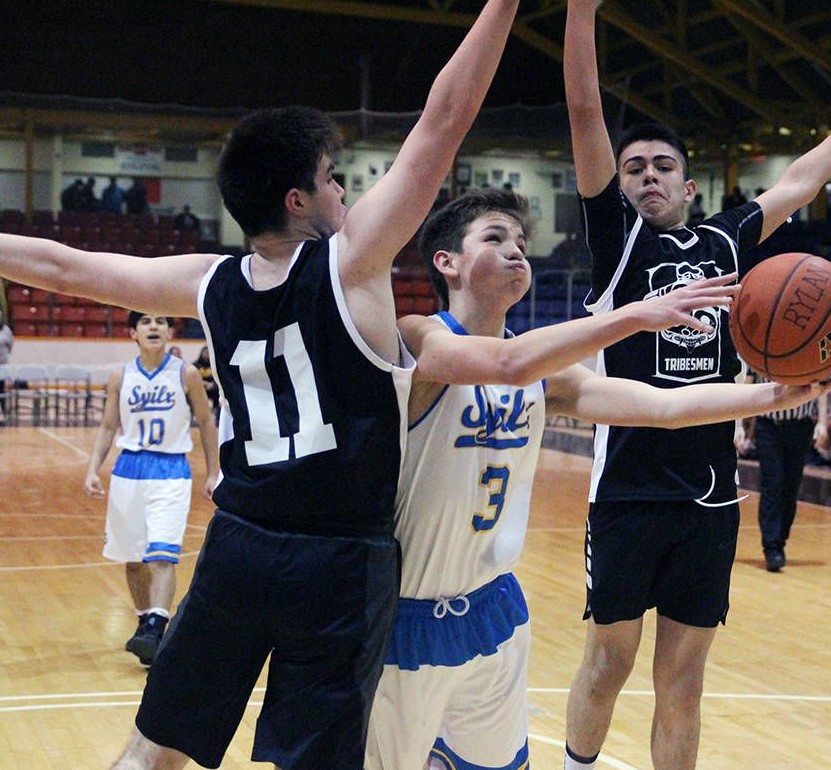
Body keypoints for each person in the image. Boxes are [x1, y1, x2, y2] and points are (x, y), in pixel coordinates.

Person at [0, 2, 525, 766]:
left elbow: (59, 265)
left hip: (240, 545)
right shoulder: (352, 262)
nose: (345, 192)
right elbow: (443, 120)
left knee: (156, 746)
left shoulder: (209, 283)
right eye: (332, 178)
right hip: (341, 561)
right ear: (297, 199)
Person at [365, 187, 831, 770]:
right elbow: (505, 365)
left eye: (522, 241)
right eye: (495, 239)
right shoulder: (418, 337)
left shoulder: (544, 369)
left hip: (493, 606)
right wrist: (634, 316)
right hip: (409, 612)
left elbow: (663, 406)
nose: (517, 250)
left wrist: (778, 393)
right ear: (446, 262)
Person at [563, 1, 831, 766]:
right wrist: (581, 14)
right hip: (629, 489)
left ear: (689, 184)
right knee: (610, 661)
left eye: (660, 166)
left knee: (684, 677)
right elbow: (583, 110)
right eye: (633, 167)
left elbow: (799, 183)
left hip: (707, 493)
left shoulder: (724, 239)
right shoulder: (619, 242)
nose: (644, 176)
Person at [83, 313, 218, 666]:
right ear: (133, 334)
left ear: (170, 331)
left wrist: (214, 472)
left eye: (160, 321)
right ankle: (145, 622)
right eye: (145, 322)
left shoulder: (185, 373)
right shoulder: (121, 375)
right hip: (129, 468)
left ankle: (157, 625)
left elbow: (206, 422)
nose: (154, 327)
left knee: (162, 554)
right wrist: (92, 470)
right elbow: (108, 425)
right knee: (133, 561)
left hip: (171, 469)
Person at [745, 383, 828, 571]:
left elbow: (821, 383)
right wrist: (739, 425)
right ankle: (771, 547)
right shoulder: (760, 355)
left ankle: (780, 541)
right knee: (772, 485)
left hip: (800, 426)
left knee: (791, 487)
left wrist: (822, 421)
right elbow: (747, 383)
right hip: (768, 426)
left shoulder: (807, 354)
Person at [193, 344, 219, 420]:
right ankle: (196, 414)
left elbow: (220, 377)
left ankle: (215, 412)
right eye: (205, 352)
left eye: (208, 353)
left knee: (218, 390)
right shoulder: (195, 365)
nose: (207, 354)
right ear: (201, 353)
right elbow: (192, 379)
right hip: (200, 386)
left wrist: (213, 384)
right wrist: (203, 383)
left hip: (213, 387)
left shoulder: (215, 364)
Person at [0, 310, 12, 420]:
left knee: (1, 390)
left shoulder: (6, 330)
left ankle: (5, 413)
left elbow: (10, 345)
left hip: (2, 365)